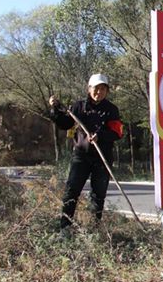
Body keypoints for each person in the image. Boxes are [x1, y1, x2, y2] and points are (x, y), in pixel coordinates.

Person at [49, 73, 123, 230]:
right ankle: (65, 228)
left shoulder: (111, 110)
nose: (99, 92)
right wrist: (55, 110)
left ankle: (94, 229)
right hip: (81, 157)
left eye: (103, 89)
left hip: (102, 158)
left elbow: (117, 133)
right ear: (89, 89)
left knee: (98, 196)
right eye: (96, 88)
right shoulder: (78, 107)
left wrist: (100, 136)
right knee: (71, 192)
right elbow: (65, 124)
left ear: (107, 91)